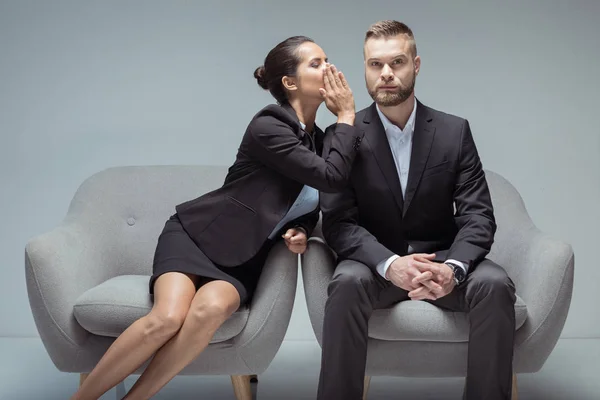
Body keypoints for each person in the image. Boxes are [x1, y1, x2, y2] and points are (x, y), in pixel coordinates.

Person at [71, 35, 363, 400]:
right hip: (196, 237)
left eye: (327, 60)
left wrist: (299, 228)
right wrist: (347, 116)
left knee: (208, 311)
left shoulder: (320, 141)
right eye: (316, 63)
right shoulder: (269, 124)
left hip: (244, 259)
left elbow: (312, 197)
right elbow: (330, 177)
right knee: (168, 317)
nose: (330, 69)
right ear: (290, 82)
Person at [317, 20, 516, 400]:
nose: (386, 74)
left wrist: (452, 270)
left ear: (416, 65)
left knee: (494, 284)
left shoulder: (454, 131)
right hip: (374, 265)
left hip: (441, 259)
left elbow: (478, 215)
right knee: (346, 282)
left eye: (398, 62)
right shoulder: (343, 135)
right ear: (364, 69)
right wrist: (391, 264)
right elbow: (339, 223)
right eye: (375, 65)